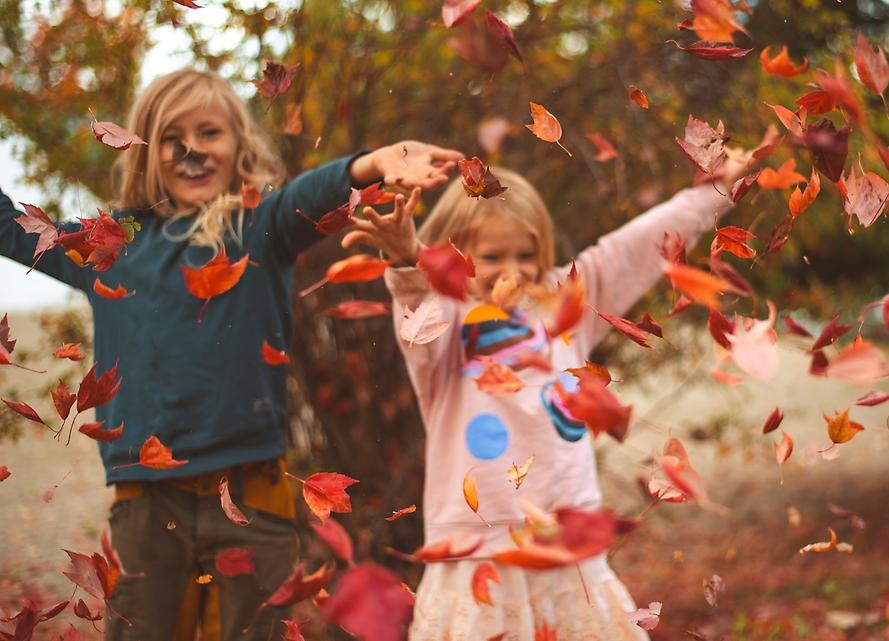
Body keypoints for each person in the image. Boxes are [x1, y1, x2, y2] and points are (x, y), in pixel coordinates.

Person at [0, 68, 461, 641]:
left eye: (210, 133)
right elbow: (12, 229)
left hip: (252, 492)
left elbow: (308, 194)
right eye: (173, 138)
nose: (192, 150)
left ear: (240, 148)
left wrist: (375, 162)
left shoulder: (256, 230)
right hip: (146, 502)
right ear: (143, 150)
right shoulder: (111, 244)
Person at [342, 150, 754, 639]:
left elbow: (635, 247)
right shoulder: (446, 321)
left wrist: (713, 193)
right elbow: (416, 309)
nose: (511, 270)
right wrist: (408, 260)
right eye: (491, 257)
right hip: (478, 548)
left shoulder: (564, 301)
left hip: (566, 544)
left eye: (526, 254)